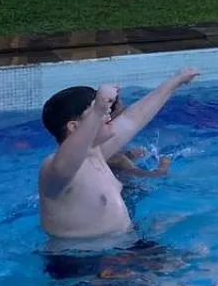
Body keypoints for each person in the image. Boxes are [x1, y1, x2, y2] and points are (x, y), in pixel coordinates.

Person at [38, 68, 199, 240]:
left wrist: (176, 81)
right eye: (95, 111)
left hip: (122, 247)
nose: (109, 114)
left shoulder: (96, 152)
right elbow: (66, 162)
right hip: (82, 261)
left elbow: (134, 118)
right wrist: (99, 109)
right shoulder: (55, 169)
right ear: (74, 127)